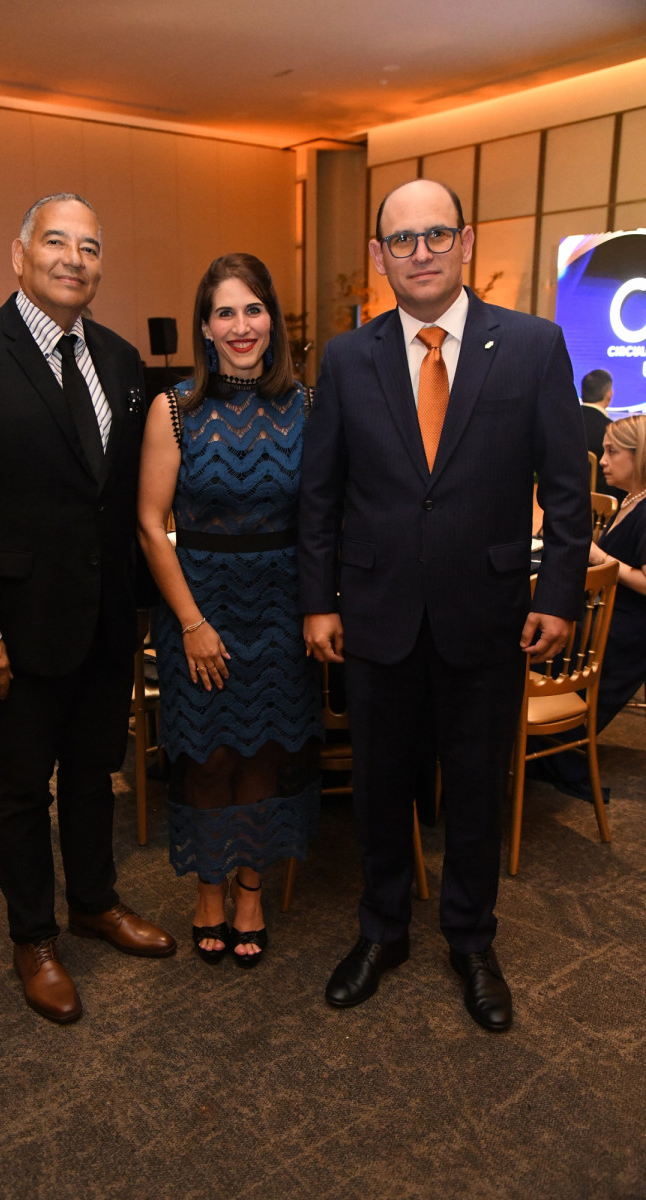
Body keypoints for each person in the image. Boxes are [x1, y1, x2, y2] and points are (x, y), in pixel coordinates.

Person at [298, 179, 591, 1031]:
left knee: (473, 790)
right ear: (379, 257)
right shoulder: (349, 358)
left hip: (489, 613)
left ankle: (471, 937)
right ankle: (382, 930)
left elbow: (567, 490)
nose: (419, 252)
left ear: (466, 243)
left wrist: (561, 595)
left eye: (435, 235)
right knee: (380, 788)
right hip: (376, 614)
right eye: (401, 240)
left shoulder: (533, 347)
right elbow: (321, 494)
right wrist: (319, 601)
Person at [0, 193, 175, 1025]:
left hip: (103, 620)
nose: (74, 258)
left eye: (90, 246)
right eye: (56, 241)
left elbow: (122, 491)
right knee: (22, 788)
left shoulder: (123, 358)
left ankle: (95, 901)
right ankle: (34, 936)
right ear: (19, 254)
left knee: (96, 771)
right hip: (12, 631)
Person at [137, 253, 321, 967]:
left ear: (271, 320)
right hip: (198, 605)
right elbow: (152, 525)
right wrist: (192, 623)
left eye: (253, 309)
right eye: (224, 312)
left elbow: (322, 519)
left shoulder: (307, 406)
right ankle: (208, 889)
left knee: (266, 754)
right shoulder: (175, 408)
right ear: (205, 328)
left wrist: (315, 609)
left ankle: (250, 892)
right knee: (208, 757)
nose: (240, 326)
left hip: (281, 607)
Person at [531, 414, 646, 800]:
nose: (604, 460)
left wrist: (600, 558)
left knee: (533, 637)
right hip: (605, 613)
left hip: (625, 630)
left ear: (640, 455)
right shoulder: (630, 500)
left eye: (613, 452)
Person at [580, 368, 625, 503]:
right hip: (602, 507)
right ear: (609, 394)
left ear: (582, 392)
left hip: (562, 502)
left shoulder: (563, 425)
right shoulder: (614, 432)